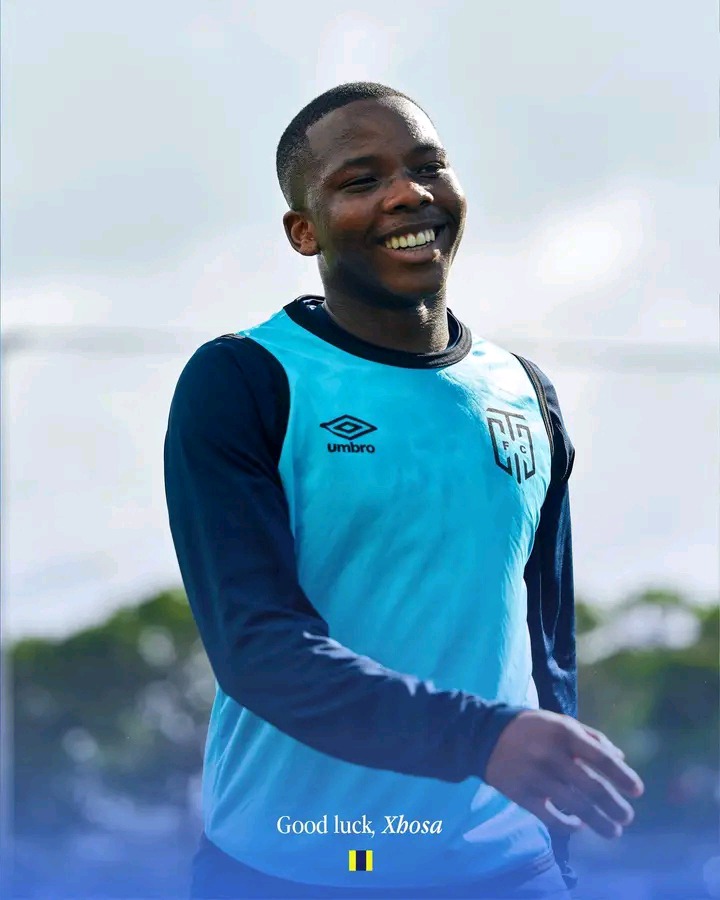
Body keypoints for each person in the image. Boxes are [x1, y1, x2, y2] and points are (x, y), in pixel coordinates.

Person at [163, 82, 644, 900]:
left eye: (428, 166)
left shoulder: (523, 391)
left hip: (506, 871)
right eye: (362, 180)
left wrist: (555, 845)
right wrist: (481, 738)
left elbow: (546, 643)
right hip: (292, 867)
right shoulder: (245, 379)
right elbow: (259, 651)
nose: (407, 194)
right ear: (304, 230)